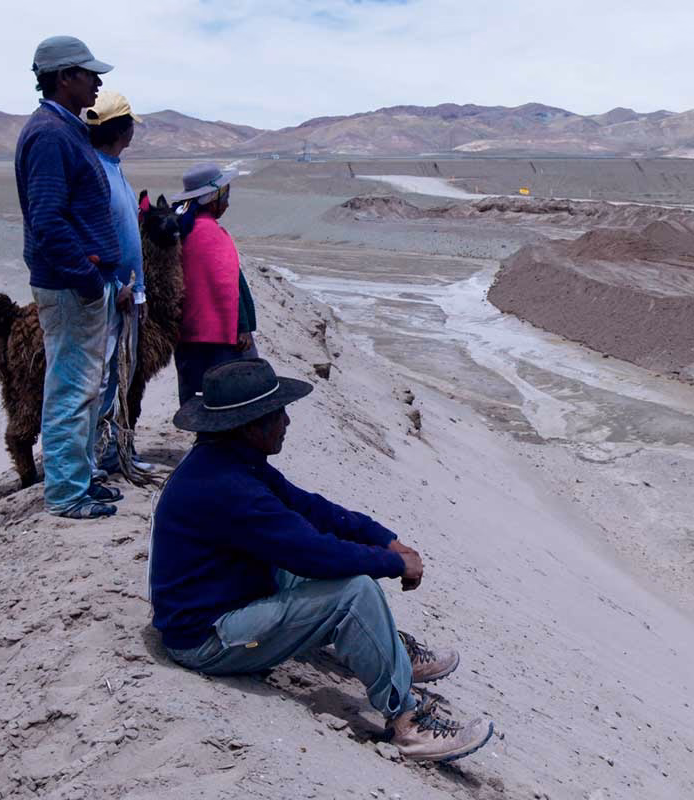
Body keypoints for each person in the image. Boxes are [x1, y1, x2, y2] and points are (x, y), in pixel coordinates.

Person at [149, 359, 495, 763]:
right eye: (279, 414)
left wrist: (386, 540)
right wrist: (395, 564)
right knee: (353, 591)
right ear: (251, 425)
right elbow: (317, 556)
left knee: (313, 561)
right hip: (207, 640)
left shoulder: (227, 460)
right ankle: (408, 722)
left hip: (228, 598)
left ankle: (390, 654)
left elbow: (310, 508)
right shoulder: (228, 488)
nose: (287, 423)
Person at [15, 35, 123, 519]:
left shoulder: (65, 130)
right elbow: (48, 219)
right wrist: (85, 277)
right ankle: (65, 494)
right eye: (88, 73)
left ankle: (79, 479)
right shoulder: (50, 136)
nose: (97, 81)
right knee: (70, 389)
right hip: (69, 285)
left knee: (83, 387)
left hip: (77, 282)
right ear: (64, 78)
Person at [84, 90, 152, 476]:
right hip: (110, 293)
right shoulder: (96, 173)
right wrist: (115, 283)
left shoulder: (113, 167)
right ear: (121, 129)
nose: (133, 132)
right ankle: (92, 459)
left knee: (117, 378)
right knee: (102, 377)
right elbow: (94, 236)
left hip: (126, 294)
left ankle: (112, 453)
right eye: (130, 125)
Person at [170, 163, 259, 405]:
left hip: (187, 335)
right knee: (226, 402)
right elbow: (226, 286)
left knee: (195, 400)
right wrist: (242, 327)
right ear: (213, 199)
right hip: (219, 338)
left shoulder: (181, 231)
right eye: (226, 196)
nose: (228, 204)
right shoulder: (211, 235)